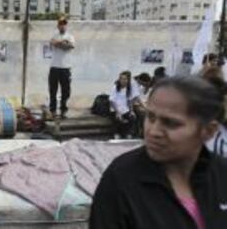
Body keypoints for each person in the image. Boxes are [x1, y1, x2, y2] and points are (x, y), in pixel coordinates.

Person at [90, 76, 227, 229]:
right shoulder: (121, 178)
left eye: (171, 123)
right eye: (151, 117)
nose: (153, 131)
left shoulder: (222, 174)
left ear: (208, 131)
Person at [48, 16, 75, 119]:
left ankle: (63, 110)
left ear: (66, 25)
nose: (62, 26)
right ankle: (53, 111)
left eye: (64, 24)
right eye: (60, 24)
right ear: (58, 25)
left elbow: (71, 46)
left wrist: (60, 44)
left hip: (66, 67)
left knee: (66, 90)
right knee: (53, 90)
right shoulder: (54, 35)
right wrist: (63, 43)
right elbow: (53, 43)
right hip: (54, 67)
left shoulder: (70, 36)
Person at [109, 71, 141, 138]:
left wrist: (131, 110)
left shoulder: (128, 89)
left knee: (133, 118)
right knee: (117, 118)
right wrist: (118, 112)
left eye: (125, 79)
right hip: (115, 109)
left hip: (125, 109)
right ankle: (116, 134)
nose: (124, 81)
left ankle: (129, 134)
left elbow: (129, 101)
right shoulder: (115, 88)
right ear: (119, 79)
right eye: (122, 79)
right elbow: (112, 101)